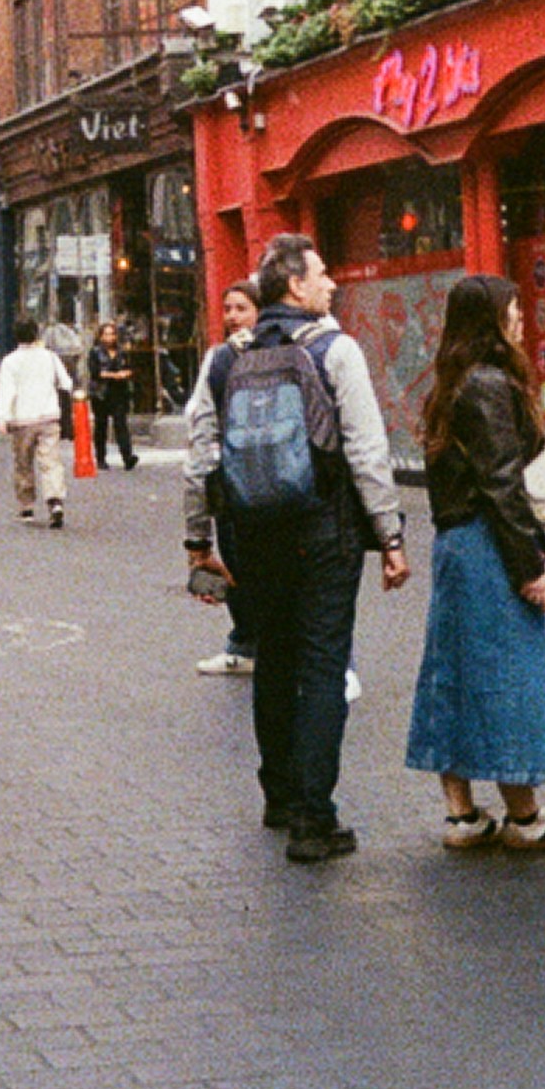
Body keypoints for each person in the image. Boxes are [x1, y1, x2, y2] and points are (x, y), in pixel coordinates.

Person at [183, 234, 411, 864]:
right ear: (295, 287)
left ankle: (279, 796)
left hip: (252, 536)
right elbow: (366, 450)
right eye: (322, 273)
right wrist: (389, 535)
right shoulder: (335, 350)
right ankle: (315, 817)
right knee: (321, 666)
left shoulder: (227, 360)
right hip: (323, 533)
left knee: (275, 660)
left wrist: (198, 539)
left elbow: (201, 455)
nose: (332, 282)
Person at [405, 276, 545, 853]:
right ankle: (524, 814)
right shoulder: (491, 385)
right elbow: (501, 486)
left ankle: (462, 814)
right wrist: (530, 568)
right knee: (511, 677)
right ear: (491, 321)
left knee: (454, 673)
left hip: (456, 545)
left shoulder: (452, 384)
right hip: (490, 545)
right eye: (513, 310)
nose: (520, 319)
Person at [181, 283, 262, 677]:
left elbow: (200, 433)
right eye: (227, 307)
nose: (231, 316)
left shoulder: (220, 360)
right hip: (284, 485)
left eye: (241, 308)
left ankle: (247, 645)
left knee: (239, 568)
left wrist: (196, 536)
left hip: (235, 485)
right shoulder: (298, 351)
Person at [0, 318, 76, 528]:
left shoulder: (10, 361)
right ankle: (55, 500)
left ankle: (27, 505)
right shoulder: (50, 357)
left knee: (23, 463)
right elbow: (66, 383)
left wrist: (3, 416)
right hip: (49, 416)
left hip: (23, 419)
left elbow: (8, 391)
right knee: (51, 462)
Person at [89, 322, 141, 472]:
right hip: (101, 393)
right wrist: (115, 375)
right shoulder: (95, 352)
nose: (109, 337)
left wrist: (127, 374)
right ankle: (100, 458)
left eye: (112, 334)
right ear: (100, 336)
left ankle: (127, 456)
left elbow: (130, 368)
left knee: (121, 424)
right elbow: (96, 373)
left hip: (119, 392)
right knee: (101, 426)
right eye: (106, 334)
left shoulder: (121, 352)